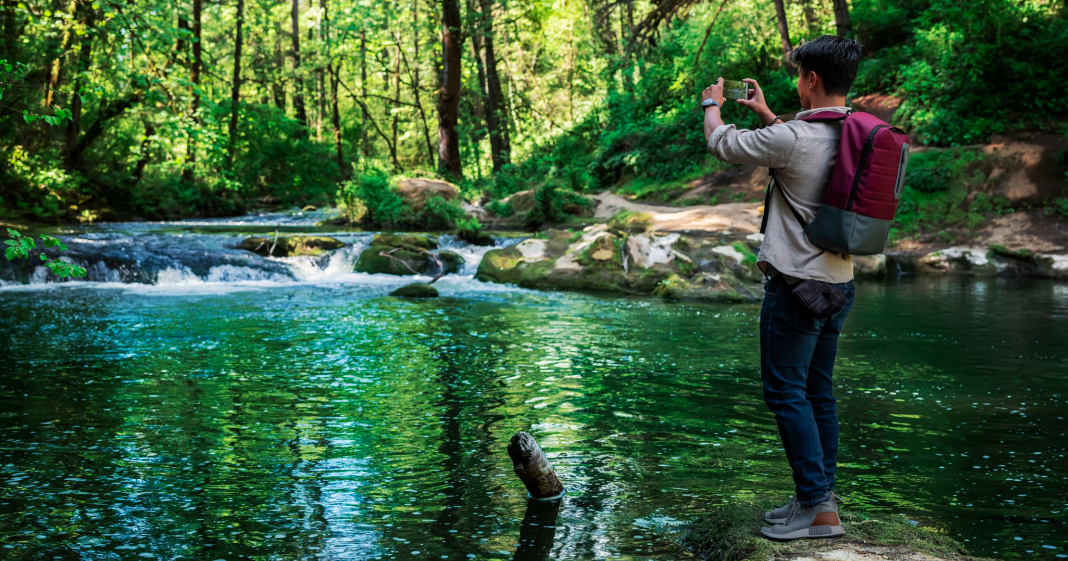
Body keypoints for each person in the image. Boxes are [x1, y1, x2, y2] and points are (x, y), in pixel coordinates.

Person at [700, 35, 864, 541]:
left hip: (796, 288)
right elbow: (798, 151)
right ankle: (818, 499)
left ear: (811, 79)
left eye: (798, 75)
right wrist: (770, 114)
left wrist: (712, 104)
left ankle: (815, 506)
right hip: (840, 285)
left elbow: (722, 142)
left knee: (785, 393)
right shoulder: (858, 132)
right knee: (818, 392)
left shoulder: (793, 139)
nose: (796, 83)